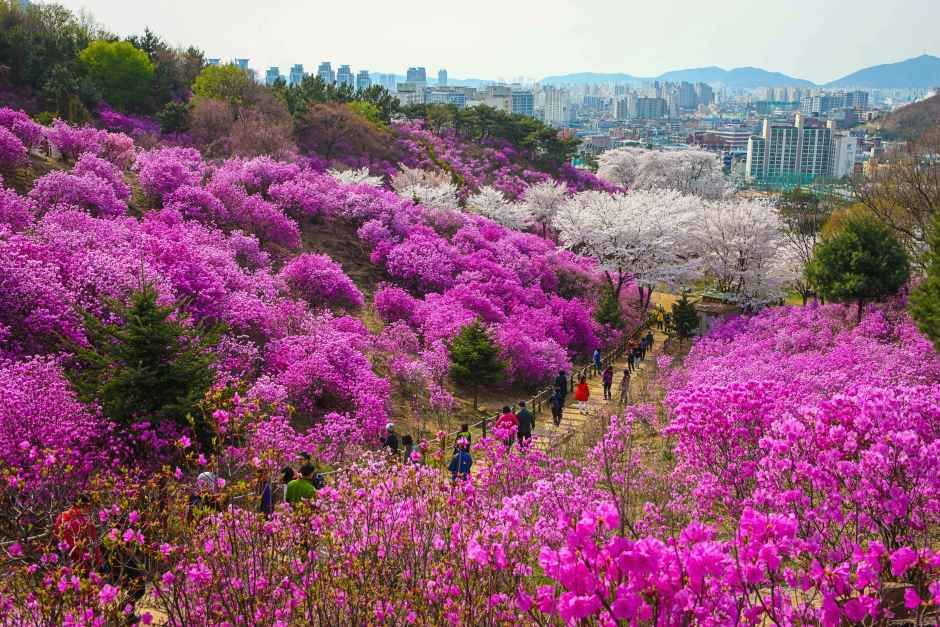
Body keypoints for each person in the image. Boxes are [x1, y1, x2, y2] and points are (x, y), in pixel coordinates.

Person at [55, 494, 99, 565]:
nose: (90, 510)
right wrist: (98, 561)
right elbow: (94, 544)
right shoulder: (86, 522)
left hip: (63, 558)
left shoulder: (61, 516)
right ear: (85, 506)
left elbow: (57, 535)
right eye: (89, 507)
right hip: (83, 561)